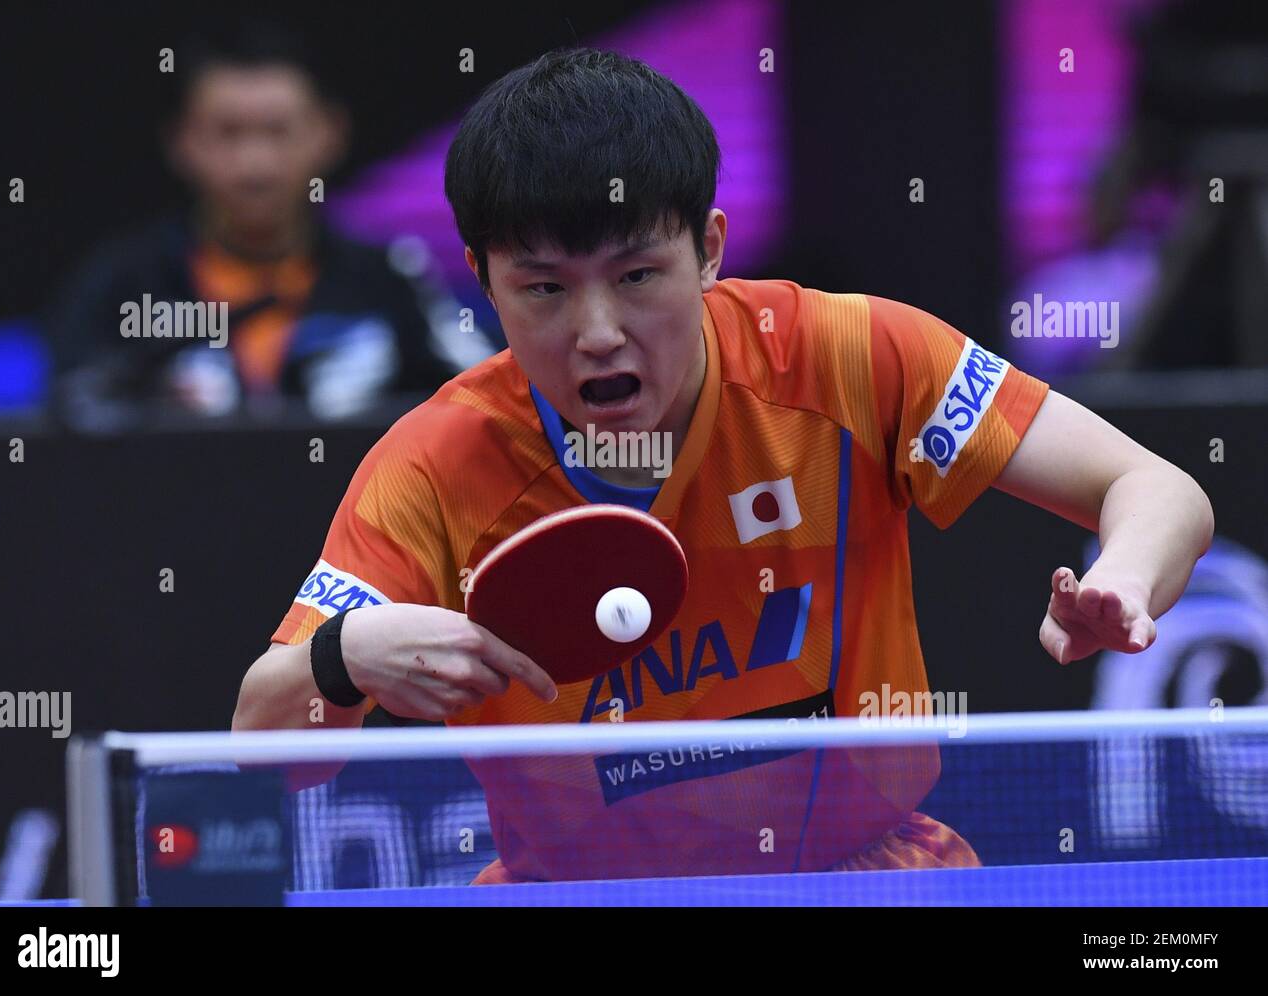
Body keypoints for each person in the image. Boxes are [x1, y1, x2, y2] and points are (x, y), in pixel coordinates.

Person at [233, 48, 1215, 882]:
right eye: (542, 288)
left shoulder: (846, 357)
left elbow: (1156, 488)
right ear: (484, 279)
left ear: (707, 250)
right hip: (579, 903)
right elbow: (261, 758)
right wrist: (341, 658)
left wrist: (1120, 580)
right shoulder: (436, 466)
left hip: (863, 883)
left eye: (636, 275)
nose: (598, 333)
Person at [46, 22, 478, 430]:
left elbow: (481, 405)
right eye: (228, 133)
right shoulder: (119, 285)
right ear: (182, 141)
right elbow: (70, 424)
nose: (255, 165)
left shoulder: (392, 276)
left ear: (330, 133)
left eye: (278, 131)